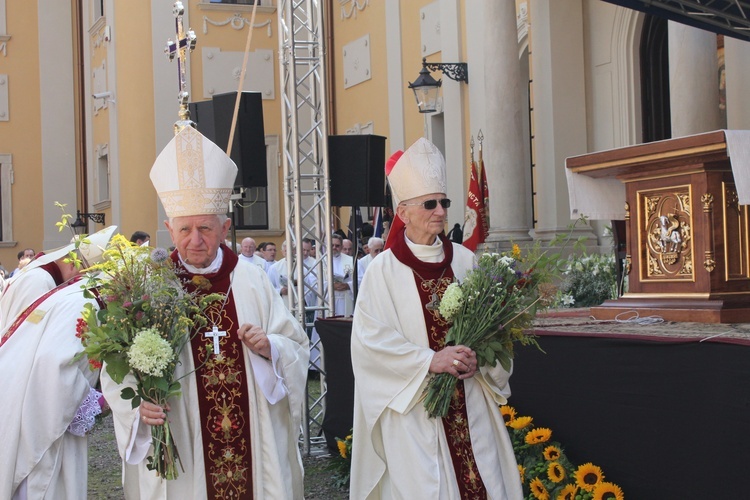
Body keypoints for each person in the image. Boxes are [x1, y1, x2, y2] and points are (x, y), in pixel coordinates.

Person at [103, 125, 309, 499]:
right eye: (184, 229)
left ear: (225, 227)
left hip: (250, 439)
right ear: (168, 228)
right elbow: (116, 364)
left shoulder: (252, 280)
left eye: (205, 228)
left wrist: (271, 347)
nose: (194, 240)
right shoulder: (149, 288)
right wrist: (139, 406)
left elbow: (295, 343)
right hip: (182, 434)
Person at [350, 138, 523, 499]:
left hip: (471, 402)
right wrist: (430, 360)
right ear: (403, 213)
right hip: (417, 408)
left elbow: (495, 329)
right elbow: (370, 344)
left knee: (485, 480)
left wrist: (481, 358)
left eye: (444, 202)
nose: (441, 211)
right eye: (430, 204)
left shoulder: (464, 260)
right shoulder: (382, 271)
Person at [0, 264, 111, 499]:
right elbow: (55, 367)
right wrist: (100, 401)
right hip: (43, 419)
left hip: (25, 398)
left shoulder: (75, 296)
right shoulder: (87, 305)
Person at [0, 226, 117, 332]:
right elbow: (29, 331)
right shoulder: (41, 281)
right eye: (82, 275)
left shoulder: (40, 274)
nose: (77, 282)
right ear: (72, 264)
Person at [328, 233, 354, 317]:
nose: (334, 247)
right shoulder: (321, 260)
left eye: (337, 245)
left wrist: (347, 285)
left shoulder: (351, 261)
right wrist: (330, 285)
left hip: (345, 299)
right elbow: (314, 280)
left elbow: (360, 279)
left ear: (341, 247)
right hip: (327, 300)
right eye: (332, 245)